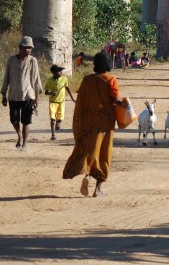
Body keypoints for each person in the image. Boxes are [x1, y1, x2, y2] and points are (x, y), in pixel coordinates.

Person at [62, 51, 120, 197]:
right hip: (105, 123)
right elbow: (115, 99)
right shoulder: (111, 79)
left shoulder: (87, 80)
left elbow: (81, 98)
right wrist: (123, 103)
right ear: (108, 64)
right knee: (104, 153)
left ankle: (87, 175)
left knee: (90, 150)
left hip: (88, 122)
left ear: (95, 64)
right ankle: (98, 189)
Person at [1, 35, 43, 150]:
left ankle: (25, 143)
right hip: (13, 95)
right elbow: (6, 77)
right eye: (27, 48)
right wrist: (4, 94)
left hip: (28, 95)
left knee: (26, 121)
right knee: (14, 119)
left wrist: (37, 98)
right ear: (21, 48)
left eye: (30, 48)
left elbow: (36, 79)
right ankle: (19, 135)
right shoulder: (11, 60)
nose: (29, 50)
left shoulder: (33, 61)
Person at [45, 64, 75, 140]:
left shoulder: (64, 78)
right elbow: (46, 92)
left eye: (61, 71)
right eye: (59, 71)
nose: (61, 72)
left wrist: (72, 98)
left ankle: (58, 122)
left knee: (59, 119)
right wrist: (51, 93)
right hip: (53, 102)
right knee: (52, 119)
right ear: (54, 72)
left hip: (61, 102)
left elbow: (67, 88)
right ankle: (53, 135)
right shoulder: (50, 80)